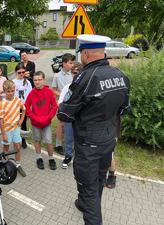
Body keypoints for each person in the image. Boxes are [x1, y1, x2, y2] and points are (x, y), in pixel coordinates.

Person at [57, 34, 130, 225]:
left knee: (88, 187)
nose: (80, 56)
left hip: (88, 143)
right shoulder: (120, 75)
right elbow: (124, 109)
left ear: (87, 54)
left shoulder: (84, 78)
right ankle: (83, 203)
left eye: (81, 52)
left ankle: (90, 213)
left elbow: (64, 114)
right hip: (108, 139)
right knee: (98, 179)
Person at [25, 71, 58, 170]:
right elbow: (26, 107)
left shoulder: (49, 92)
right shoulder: (31, 93)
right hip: (35, 123)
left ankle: (51, 158)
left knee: (48, 141)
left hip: (46, 122)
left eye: (39, 80)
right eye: (35, 80)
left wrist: (49, 117)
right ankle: (39, 157)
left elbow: (54, 106)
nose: (37, 82)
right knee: (37, 140)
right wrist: (33, 117)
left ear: (43, 80)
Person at [0, 80, 26, 177]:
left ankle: (18, 165)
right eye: (8, 91)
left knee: (17, 147)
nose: (11, 93)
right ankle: (5, 165)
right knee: (6, 148)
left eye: (13, 91)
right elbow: (1, 120)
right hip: (7, 130)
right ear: (5, 91)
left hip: (16, 128)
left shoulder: (17, 100)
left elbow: (24, 109)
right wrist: (4, 133)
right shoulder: (2, 103)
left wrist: (21, 120)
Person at [58, 62, 83, 169]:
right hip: (69, 119)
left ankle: (80, 159)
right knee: (69, 139)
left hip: (82, 119)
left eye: (77, 72)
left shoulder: (86, 88)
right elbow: (60, 103)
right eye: (73, 73)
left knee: (81, 139)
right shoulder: (67, 88)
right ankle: (68, 156)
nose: (75, 75)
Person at [52, 53, 75, 155]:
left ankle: (69, 145)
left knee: (71, 124)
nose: (72, 64)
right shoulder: (57, 76)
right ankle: (58, 145)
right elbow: (53, 90)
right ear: (64, 63)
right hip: (62, 104)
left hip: (72, 104)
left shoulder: (73, 75)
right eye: (70, 63)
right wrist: (63, 94)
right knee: (61, 124)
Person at [13, 62, 32, 149]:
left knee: (23, 123)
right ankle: (16, 139)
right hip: (15, 106)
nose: (21, 74)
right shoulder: (13, 82)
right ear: (16, 72)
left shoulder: (27, 82)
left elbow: (30, 95)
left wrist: (29, 106)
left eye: (23, 72)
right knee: (16, 123)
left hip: (24, 107)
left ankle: (23, 140)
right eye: (19, 72)